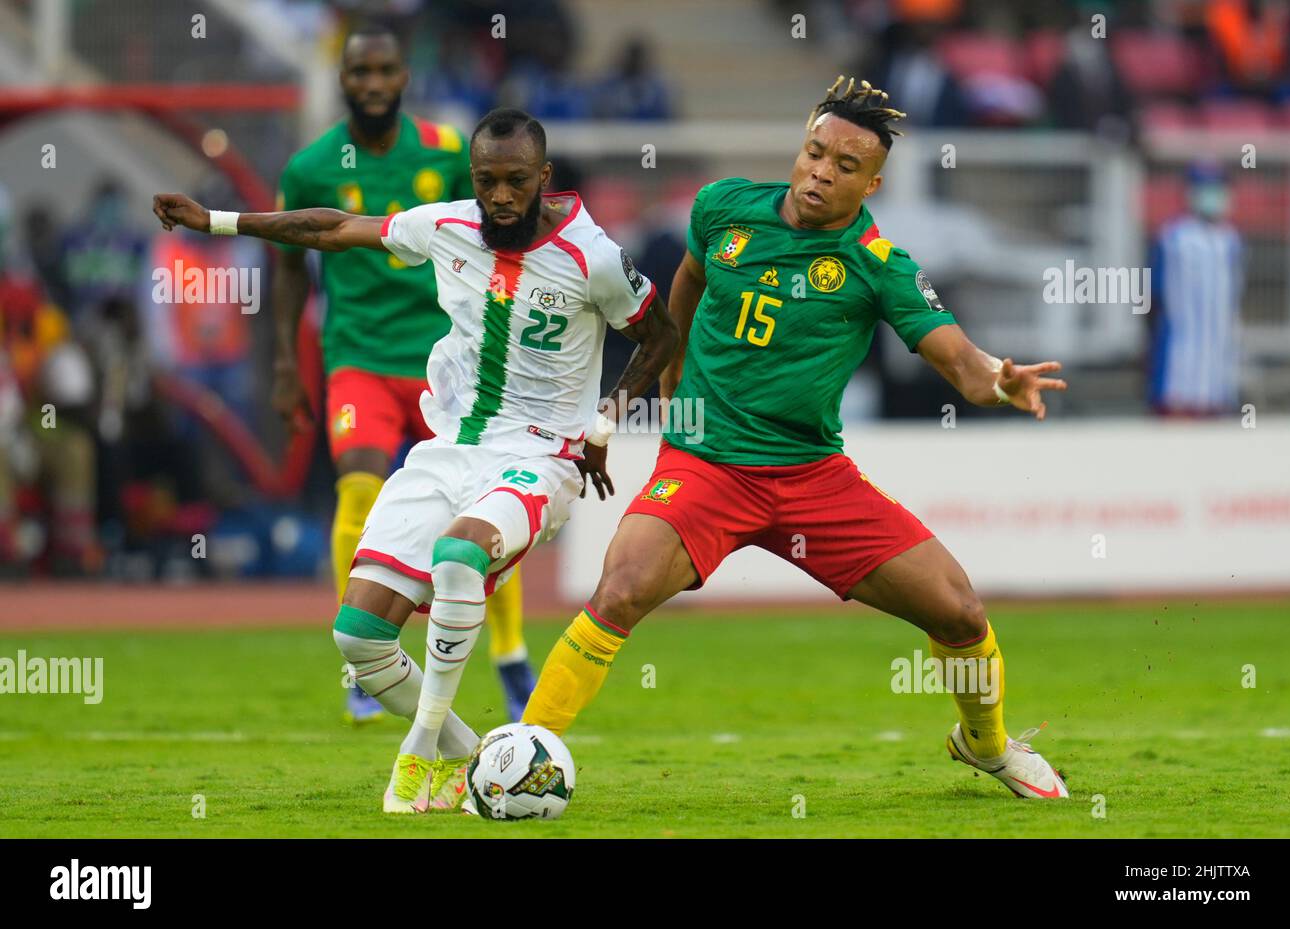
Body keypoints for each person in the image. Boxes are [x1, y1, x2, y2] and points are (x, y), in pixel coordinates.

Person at [520, 77, 1072, 800]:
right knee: (621, 588)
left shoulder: (878, 265)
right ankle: (521, 753)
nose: (822, 172)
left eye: (846, 167)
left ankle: (988, 745)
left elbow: (960, 365)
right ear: (800, 148)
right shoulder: (723, 209)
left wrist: (1001, 378)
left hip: (812, 476)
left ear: (872, 183)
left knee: (960, 611)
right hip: (705, 464)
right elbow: (686, 278)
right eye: (815, 153)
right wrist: (673, 365)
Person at [153, 107, 679, 812]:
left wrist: (605, 424)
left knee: (459, 555)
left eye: (515, 181)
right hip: (450, 448)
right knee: (358, 636)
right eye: (487, 180)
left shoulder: (597, 257)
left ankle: (417, 751)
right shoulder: (450, 224)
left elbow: (660, 336)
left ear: (542, 177)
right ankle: (473, 756)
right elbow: (334, 228)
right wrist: (216, 221)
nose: (498, 196)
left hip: (540, 458)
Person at [271, 24, 536, 724]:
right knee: (358, 483)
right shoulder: (309, 168)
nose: (374, 83)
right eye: (361, 72)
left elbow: (499, 228)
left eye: (386, 70)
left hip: (443, 357)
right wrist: (282, 360)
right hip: (357, 354)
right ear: (343, 80)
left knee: (482, 506)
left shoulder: (449, 153)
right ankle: (363, 667)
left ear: (403, 77)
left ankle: (510, 655)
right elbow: (290, 264)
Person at [1148, 162, 1244, 417]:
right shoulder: (1172, 237)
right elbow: (1151, 297)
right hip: (1177, 367)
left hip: (1218, 372)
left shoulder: (1231, 239)